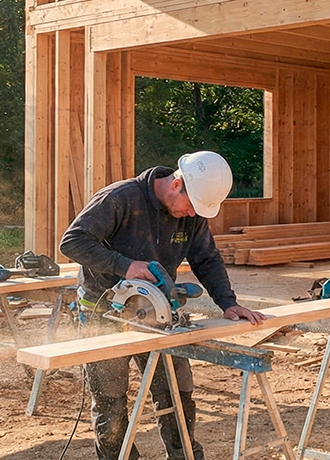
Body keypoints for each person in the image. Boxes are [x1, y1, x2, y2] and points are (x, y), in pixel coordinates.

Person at [59, 151, 266, 460]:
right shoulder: (121, 198)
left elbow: (206, 258)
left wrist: (228, 302)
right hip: (104, 312)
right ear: (176, 183)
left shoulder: (191, 214)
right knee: (111, 405)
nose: (191, 214)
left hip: (156, 314)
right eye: (190, 206)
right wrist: (125, 265)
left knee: (177, 395)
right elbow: (72, 242)